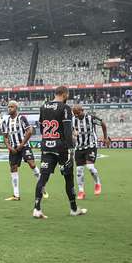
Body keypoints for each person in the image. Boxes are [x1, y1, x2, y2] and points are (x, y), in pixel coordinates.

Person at [33, 86, 88, 219]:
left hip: (46, 146)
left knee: (43, 178)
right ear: (64, 94)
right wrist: (71, 149)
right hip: (61, 148)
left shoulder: (43, 106)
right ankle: (74, 208)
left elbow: (41, 126)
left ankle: (37, 209)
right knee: (68, 177)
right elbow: (68, 130)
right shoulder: (65, 108)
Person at [0, 101, 39, 201]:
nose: (9, 108)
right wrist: (9, 147)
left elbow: (29, 131)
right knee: (13, 168)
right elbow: (5, 136)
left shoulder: (22, 118)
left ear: (16, 108)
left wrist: (21, 145)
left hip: (24, 146)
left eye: (11, 107)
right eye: (8, 107)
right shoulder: (5, 121)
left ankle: (42, 186)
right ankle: (16, 195)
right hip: (13, 149)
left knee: (32, 164)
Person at [72, 105, 110, 199]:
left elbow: (103, 124)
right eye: (75, 114)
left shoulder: (91, 118)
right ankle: (81, 191)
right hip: (79, 147)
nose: (77, 115)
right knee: (79, 171)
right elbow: (72, 131)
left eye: (78, 113)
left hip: (91, 145)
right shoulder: (73, 120)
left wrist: (105, 138)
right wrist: (73, 133)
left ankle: (97, 183)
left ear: (82, 110)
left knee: (90, 167)